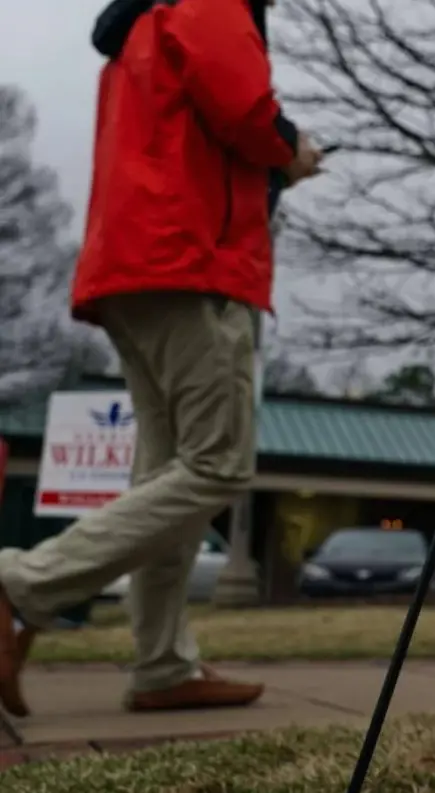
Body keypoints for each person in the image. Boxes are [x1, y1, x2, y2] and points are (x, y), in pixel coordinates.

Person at [0, 0, 323, 717]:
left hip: (134, 265)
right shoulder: (211, 1)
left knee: (168, 474)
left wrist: (273, 170)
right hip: (191, 266)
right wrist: (292, 149)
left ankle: (163, 665)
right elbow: (247, 114)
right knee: (217, 465)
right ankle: (20, 583)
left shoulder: (144, 22)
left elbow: (193, 137)